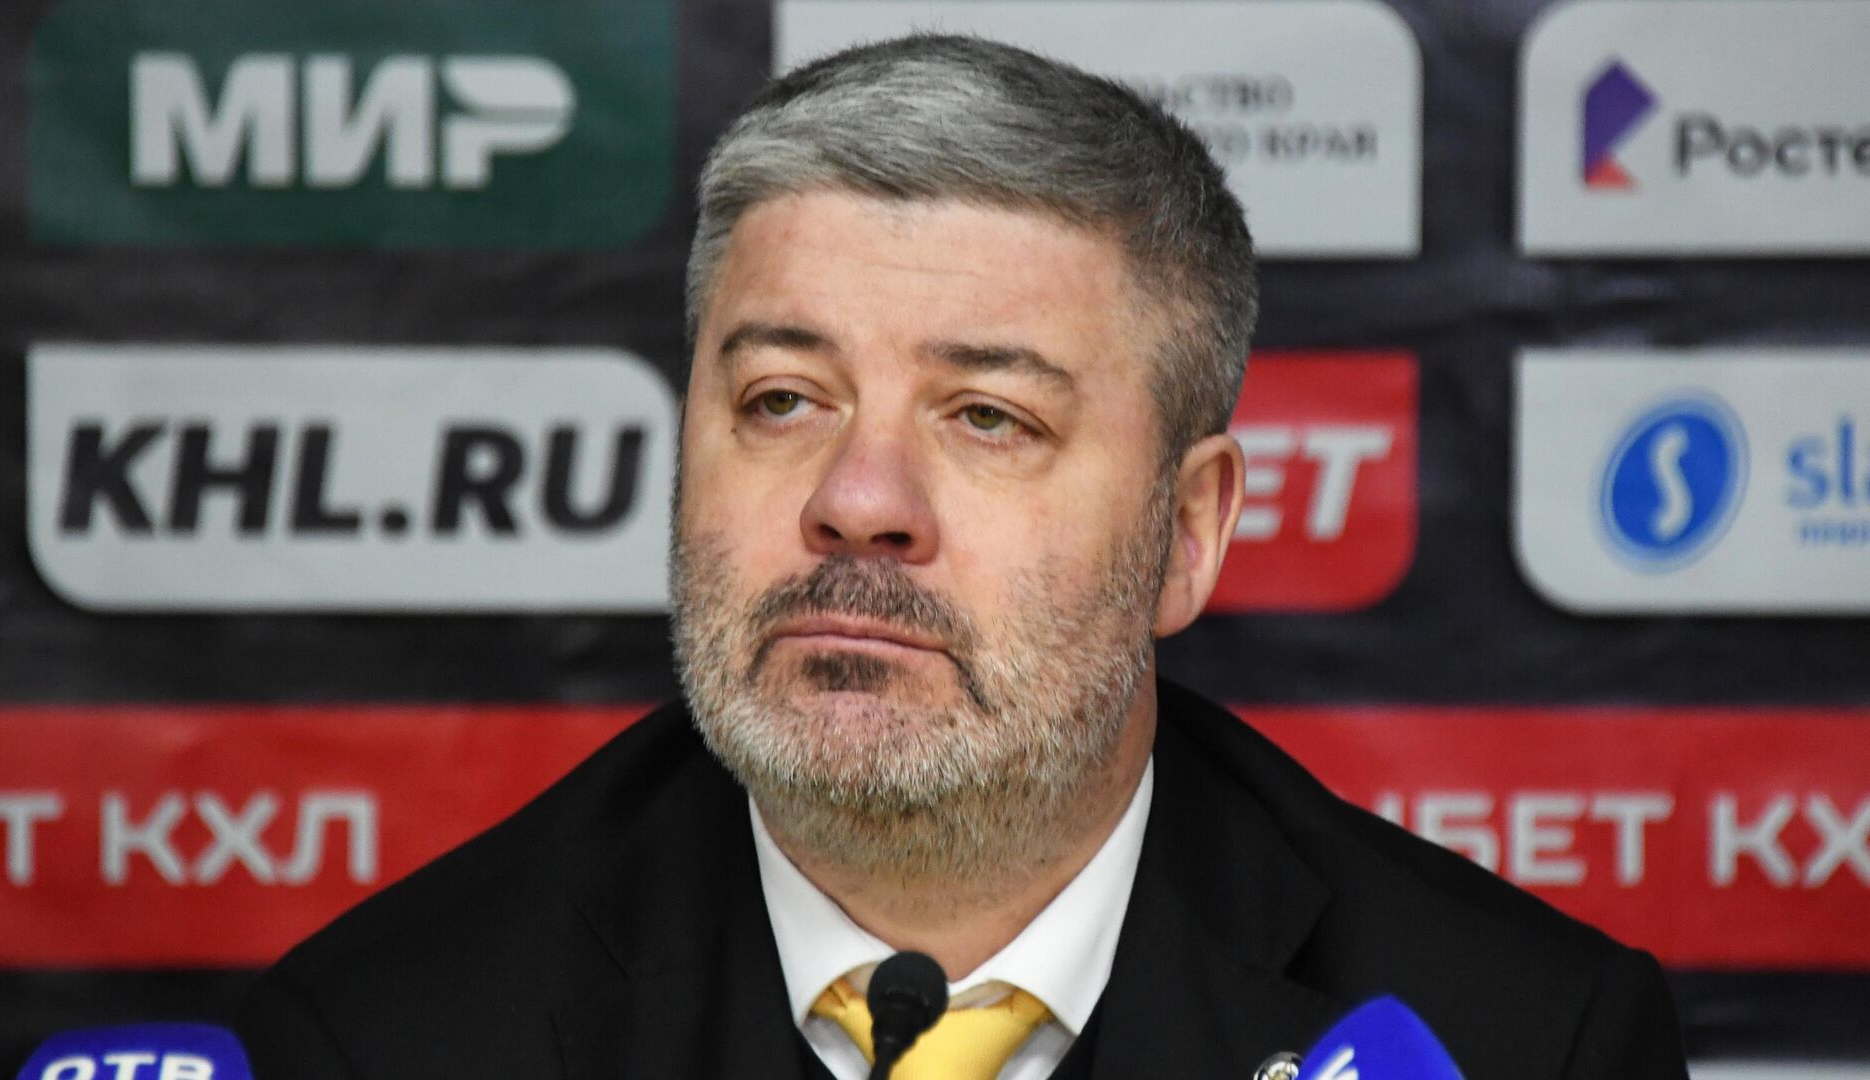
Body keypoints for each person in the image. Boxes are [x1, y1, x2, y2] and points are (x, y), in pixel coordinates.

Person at [237, 34, 1689, 1079]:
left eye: (990, 416)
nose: (858, 502)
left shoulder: (1520, 1042)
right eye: (782, 401)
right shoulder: (384, 1039)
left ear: (1188, 532)